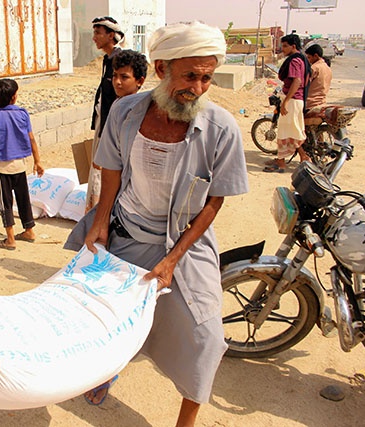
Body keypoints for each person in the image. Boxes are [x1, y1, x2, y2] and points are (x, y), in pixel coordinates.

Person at [65, 21, 249, 427]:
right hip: (127, 230)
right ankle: (105, 371)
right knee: (109, 320)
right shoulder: (126, 111)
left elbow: (214, 201)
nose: (198, 88)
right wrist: (99, 222)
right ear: (162, 69)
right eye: (190, 76)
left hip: (185, 244)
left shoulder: (221, 129)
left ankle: (186, 422)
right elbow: (111, 169)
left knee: (205, 338)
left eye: (207, 77)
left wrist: (172, 259)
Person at [0, 79, 44, 250]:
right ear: (14, 97)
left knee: (6, 203)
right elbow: (31, 138)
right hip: (20, 165)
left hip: (2, 168)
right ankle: (29, 230)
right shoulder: (22, 113)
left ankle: (10, 239)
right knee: (23, 199)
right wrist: (37, 161)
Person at [85, 16, 124, 212]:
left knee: (104, 167)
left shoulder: (120, 59)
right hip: (104, 121)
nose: (94, 38)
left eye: (97, 33)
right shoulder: (108, 59)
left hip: (112, 125)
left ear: (111, 35)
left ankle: (102, 211)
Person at [263, 33, 311, 173]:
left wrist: (286, 102)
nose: (282, 49)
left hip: (293, 100)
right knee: (291, 131)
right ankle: (294, 157)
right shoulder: (302, 60)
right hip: (296, 100)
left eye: (285, 46)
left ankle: (285, 162)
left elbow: (297, 81)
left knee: (286, 132)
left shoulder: (295, 61)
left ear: (293, 46)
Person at [305, 44, 332, 109]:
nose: (308, 60)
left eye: (309, 57)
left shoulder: (314, 68)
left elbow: (304, 85)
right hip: (322, 103)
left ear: (315, 56)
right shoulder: (328, 69)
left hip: (310, 103)